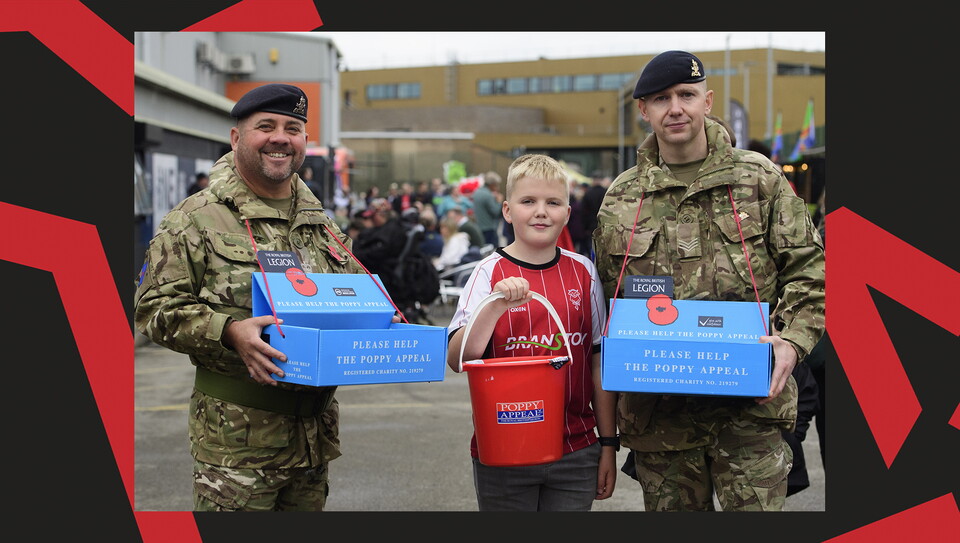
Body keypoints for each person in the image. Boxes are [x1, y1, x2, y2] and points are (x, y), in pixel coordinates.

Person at [593, 51, 825, 512]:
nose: (674, 108)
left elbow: (810, 269)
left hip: (749, 415)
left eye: (686, 95)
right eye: (660, 98)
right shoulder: (622, 198)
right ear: (644, 110)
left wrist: (793, 342)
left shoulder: (758, 179)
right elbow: (606, 299)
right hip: (661, 418)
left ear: (707, 101)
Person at [134, 83, 366, 511]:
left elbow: (353, 304)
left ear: (304, 143)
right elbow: (152, 309)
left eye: (293, 128)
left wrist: (381, 328)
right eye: (266, 126)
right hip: (236, 449)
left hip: (312, 444)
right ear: (237, 138)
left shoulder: (323, 226)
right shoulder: (194, 220)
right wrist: (228, 331)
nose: (281, 137)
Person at [446, 153, 618, 511]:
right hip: (505, 450)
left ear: (567, 214)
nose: (541, 211)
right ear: (508, 211)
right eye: (528, 201)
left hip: (577, 449)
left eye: (553, 202)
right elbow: (458, 359)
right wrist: (494, 305)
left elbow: (599, 362)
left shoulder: (583, 273)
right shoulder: (486, 273)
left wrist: (608, 444)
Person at [579, 173, 607, 259]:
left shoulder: (588, 193)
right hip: (604, 224)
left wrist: (584, 227)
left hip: (590, 225)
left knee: (591, 246)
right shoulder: (606, 192)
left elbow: (583, 211)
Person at [471, 171, 503, 247]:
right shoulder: (488, 195)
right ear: (492, 185)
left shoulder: (477, 192)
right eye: (496, 185)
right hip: (489, 228)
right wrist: (499, 201)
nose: (497, 187)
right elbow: (496, 212)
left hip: (479, 226)